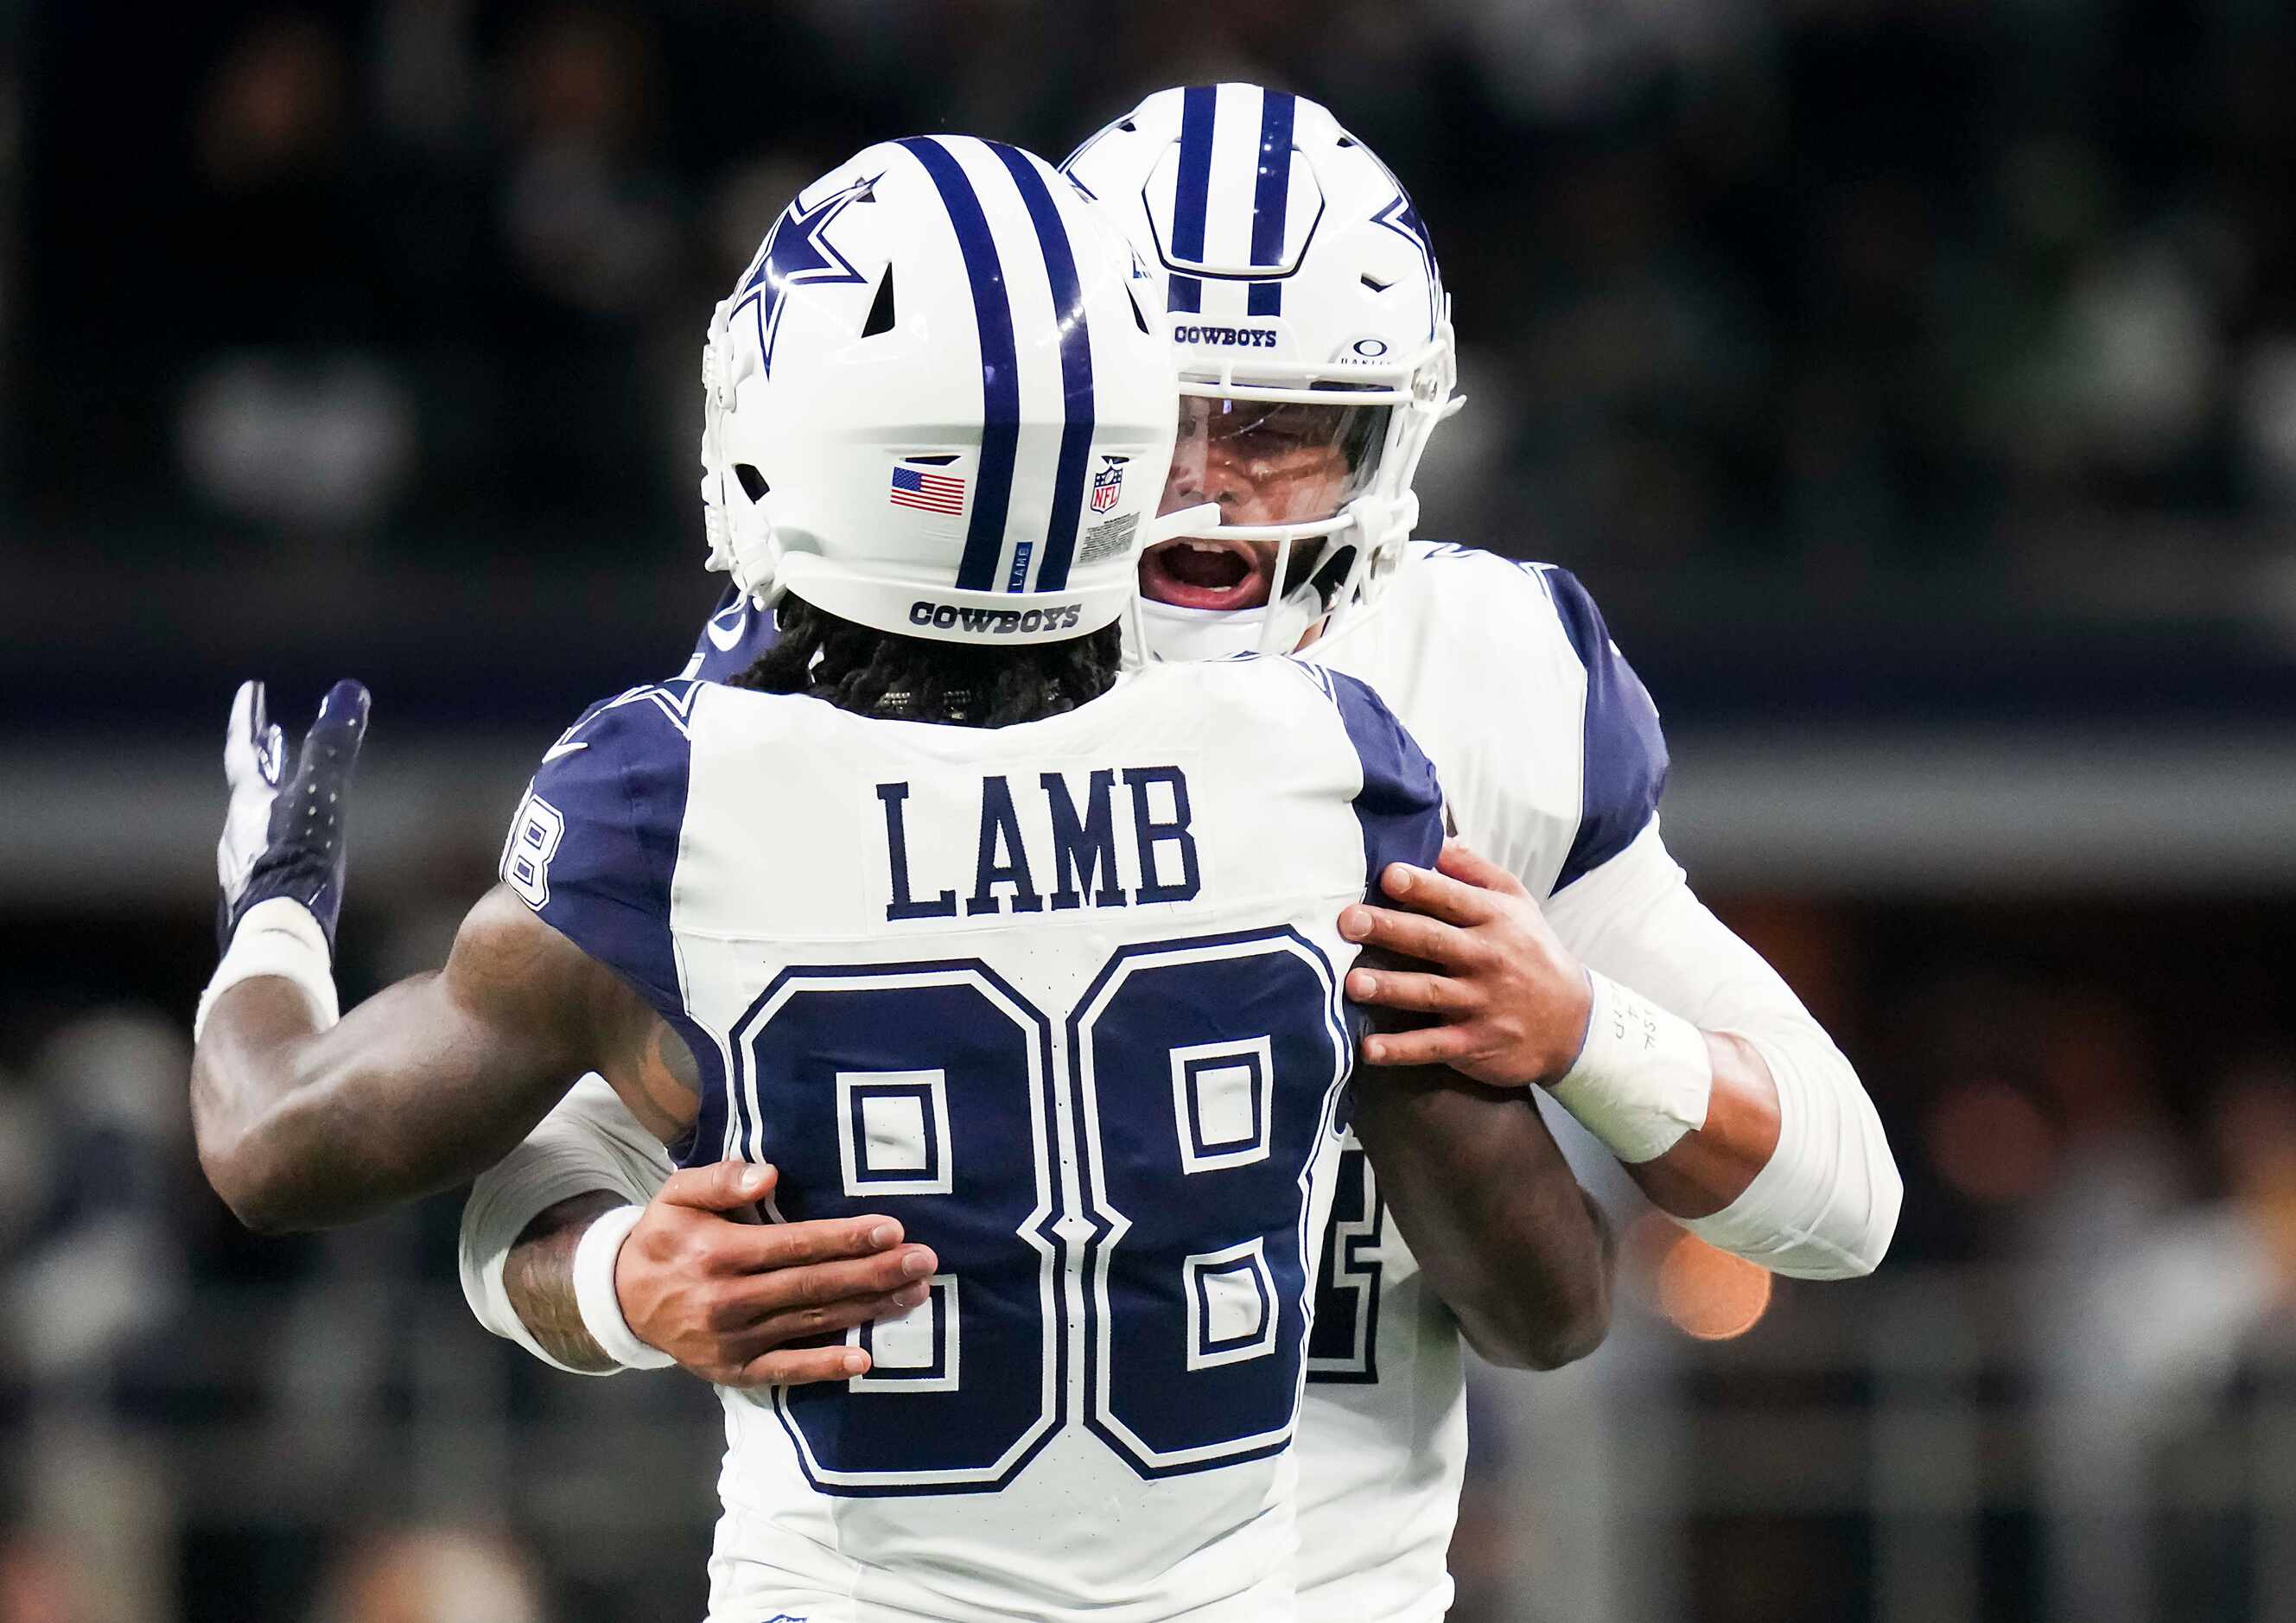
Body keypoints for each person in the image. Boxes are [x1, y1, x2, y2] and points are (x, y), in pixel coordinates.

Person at [464, 86, 1905, 1623]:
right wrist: (626, 1280)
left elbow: (1839, 1199)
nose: (1210, 488)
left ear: (1389, 435)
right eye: (1167, 416)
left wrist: (1582, 1030)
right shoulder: (834, 673)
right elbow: (529, 1188)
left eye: (1278, 429)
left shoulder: (1483, 677)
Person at [190, 134, 1611, 1620]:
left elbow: (275, 1144)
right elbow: (1548, 1303)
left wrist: (274, 911)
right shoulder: (1329, 762)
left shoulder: (675, 798)